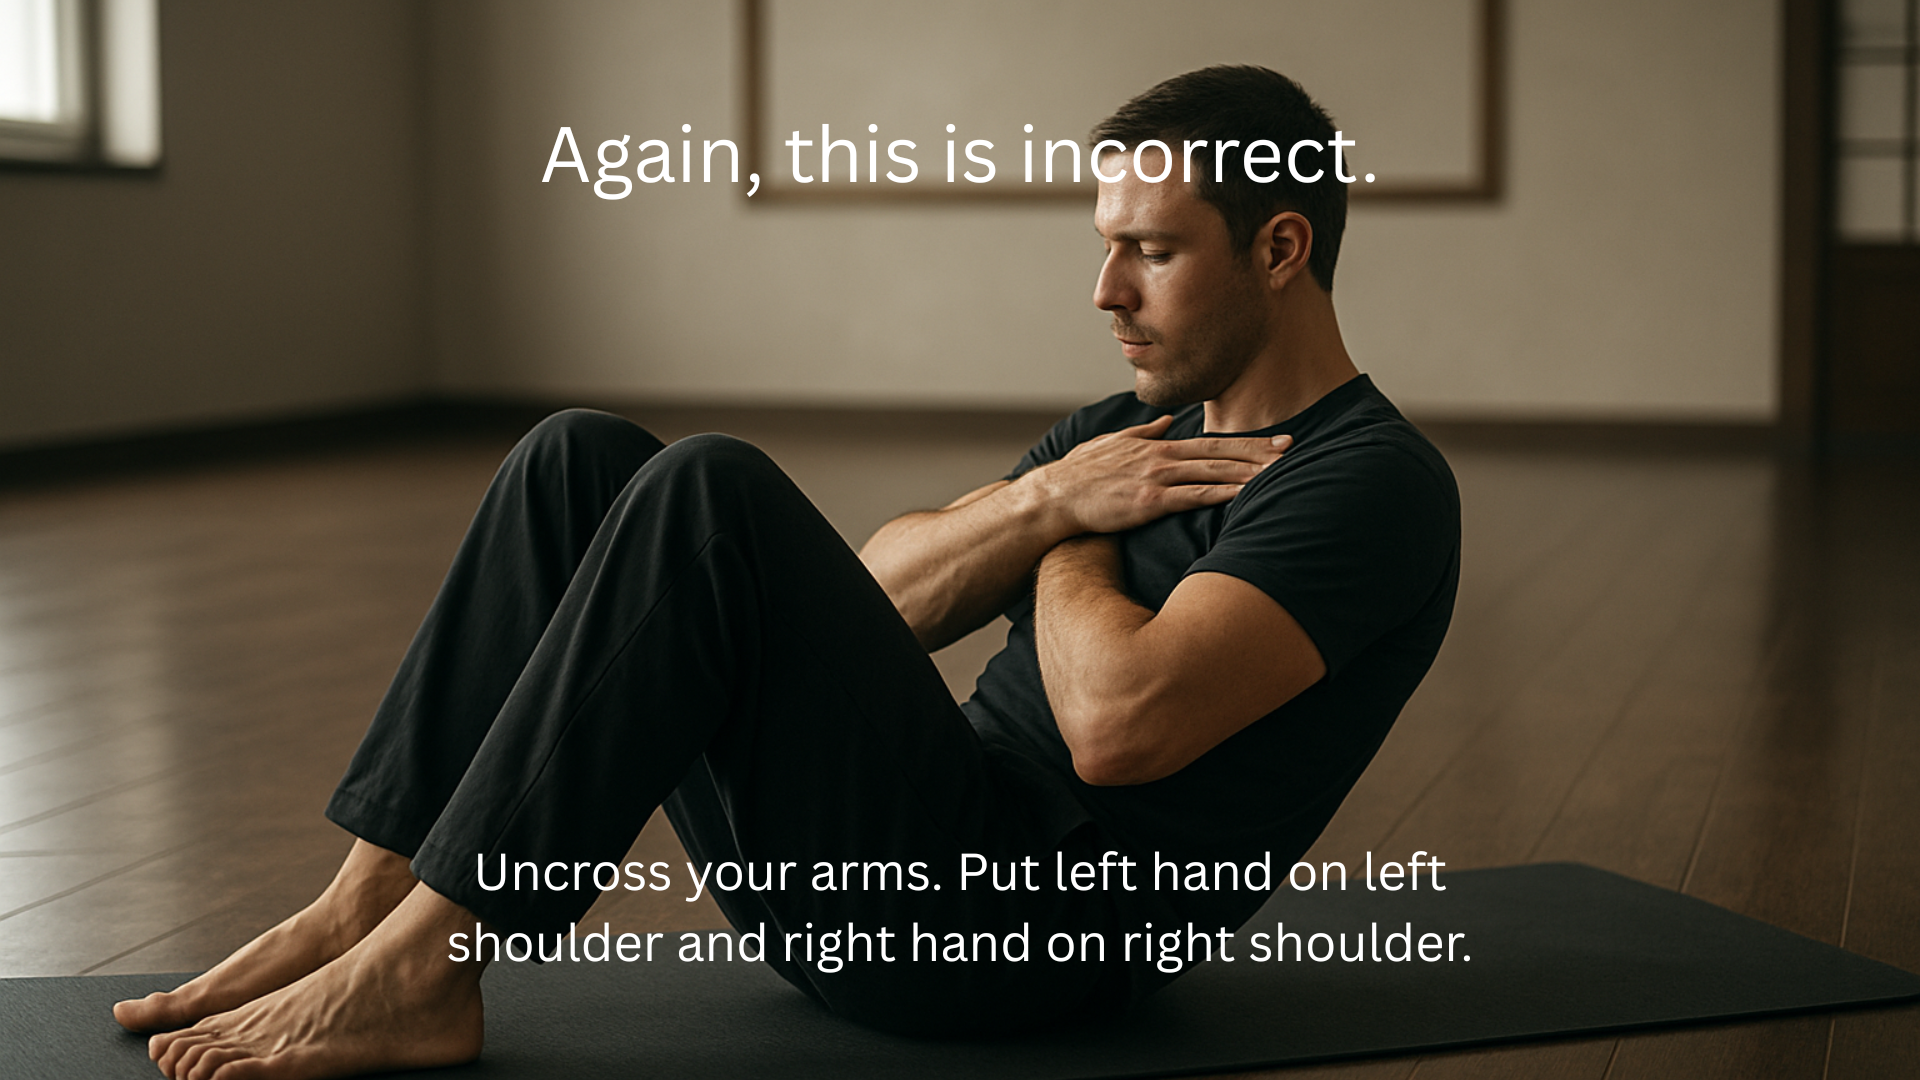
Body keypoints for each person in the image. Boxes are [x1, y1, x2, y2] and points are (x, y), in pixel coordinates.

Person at [113, 65, 1460, 1080]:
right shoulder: (1117, 439)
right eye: (1105, 244)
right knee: (579, 460)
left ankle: (428, 966)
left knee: (711, 486)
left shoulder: (1368, 484)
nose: (1105, 289)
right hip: (896, 869)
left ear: (1280, 250)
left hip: (1007, 951)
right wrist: (1055, 494)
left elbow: (1120, 726)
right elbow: (870, 598)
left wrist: (1061, 534)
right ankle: (366, 907)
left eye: (1151, 252)